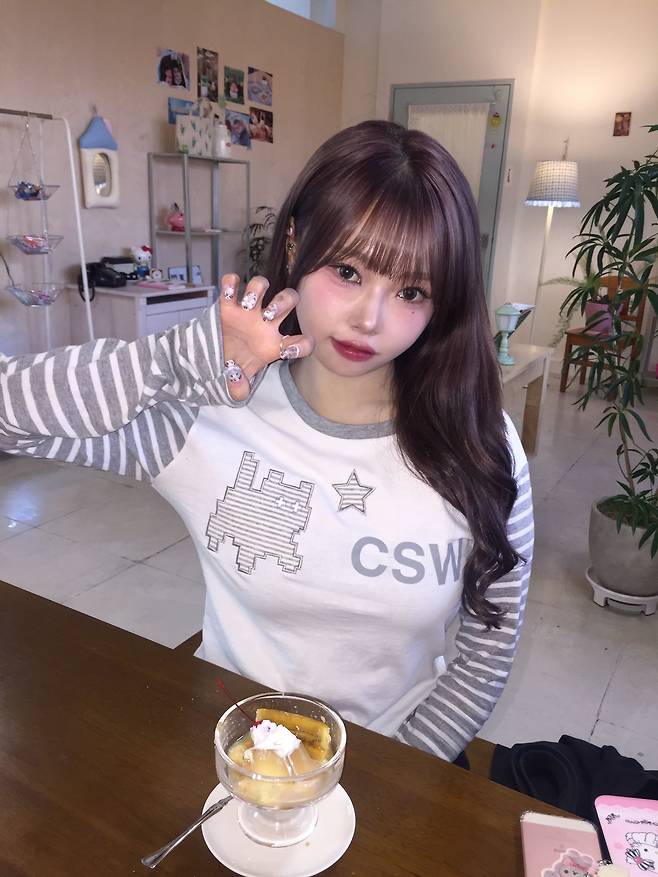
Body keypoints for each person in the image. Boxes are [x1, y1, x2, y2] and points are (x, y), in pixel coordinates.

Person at [0, 120, 532, 763]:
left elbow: (486, 651)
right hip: (233, 753)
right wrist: (172, 360)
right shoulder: (206, 415)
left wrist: (398, 778)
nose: (370, 319)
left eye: (411, 291)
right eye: (348, 271)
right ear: (296, 241)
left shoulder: (479, 444)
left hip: (398, 760)